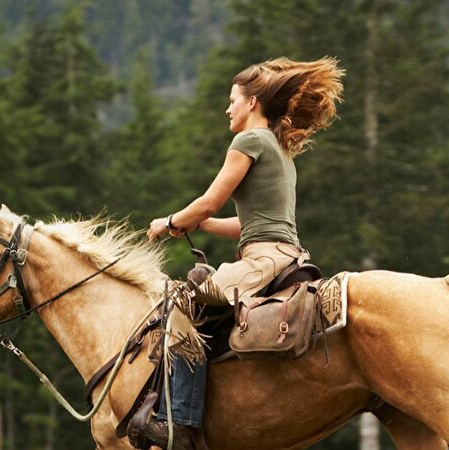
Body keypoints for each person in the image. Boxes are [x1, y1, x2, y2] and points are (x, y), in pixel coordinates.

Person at [143, 56, 344, 449]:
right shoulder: (280, 149)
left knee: (180, 304)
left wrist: (168, 223)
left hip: (262, 261)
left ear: (252, 102)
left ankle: (179, 421)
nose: (227, 108)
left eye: (232, 99)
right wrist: (202, 224)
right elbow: (248, 222)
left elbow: (210, 200)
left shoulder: (249, 140)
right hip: (284, 255)